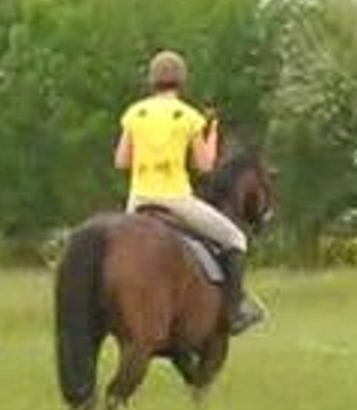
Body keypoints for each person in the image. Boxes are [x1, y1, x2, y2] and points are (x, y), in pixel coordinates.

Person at [113, 50, 264, 335]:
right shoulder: (188, 116)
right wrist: (212, 134)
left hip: (137, 202)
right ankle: (234, 311)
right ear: (181, 80)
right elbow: (205, 166)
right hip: (175, 200)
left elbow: (120, 160)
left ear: (152, 80)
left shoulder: (134, 113)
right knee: (235, 239)